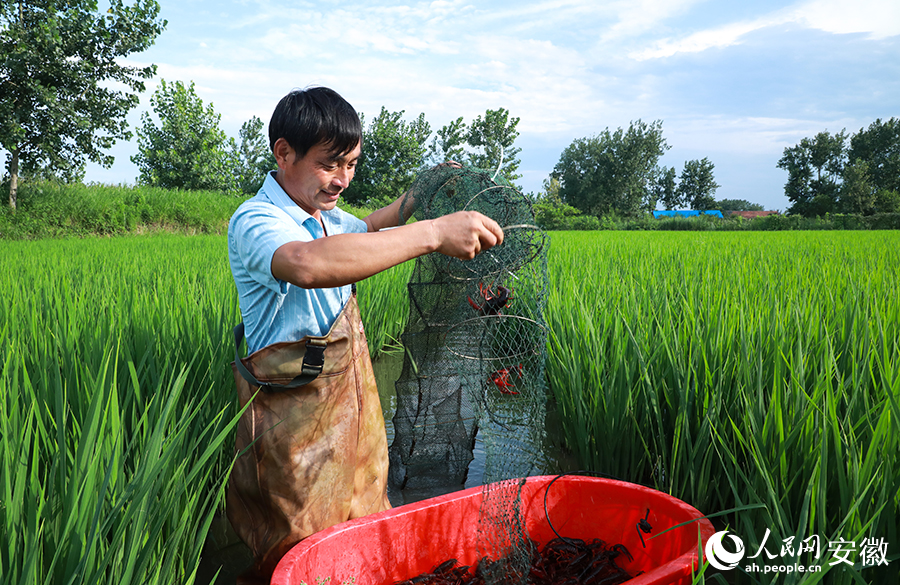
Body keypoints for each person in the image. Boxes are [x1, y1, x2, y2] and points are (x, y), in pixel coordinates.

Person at [226, 86, 503, 582]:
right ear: (283, 152)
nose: (343, 179)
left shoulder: (328, 216)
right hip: (294, 417)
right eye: (330, 164)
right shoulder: (257, 219)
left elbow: (371, 229)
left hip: (355, 405)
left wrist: (419, 195)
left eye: (351, 164)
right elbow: (305, 264)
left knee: (367, 519)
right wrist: (434, 233)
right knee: (301, 544)